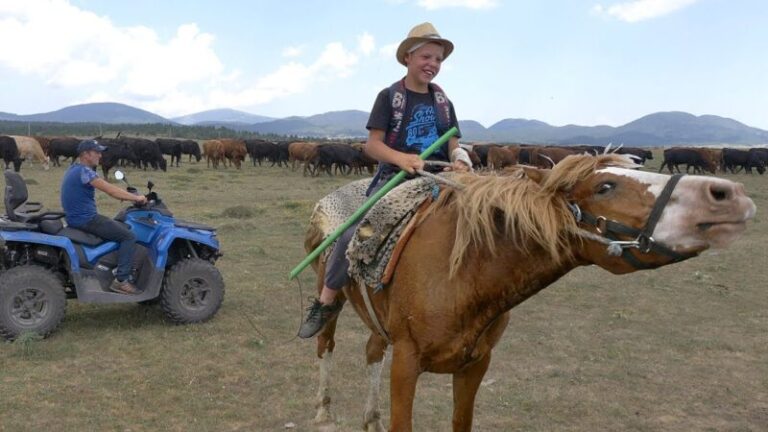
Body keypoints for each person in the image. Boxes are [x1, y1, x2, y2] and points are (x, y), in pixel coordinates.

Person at [299, 22, 473, 338]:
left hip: (438, 180)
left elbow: (453, 144)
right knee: (354, 231)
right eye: (426, 56)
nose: (432, 64)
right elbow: (373, 145)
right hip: (395, 179)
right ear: (408, 57)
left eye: (438, 59)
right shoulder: (391, 96)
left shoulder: (443, 102)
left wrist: (460, 160)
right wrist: (402, 159)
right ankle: (325, 300)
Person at [60, 139, 147, 294]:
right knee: (128, 236)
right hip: (85, 219)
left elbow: (109, 189)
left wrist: (125, 195)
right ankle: (122, 280)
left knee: (117, 225)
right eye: (96, 152)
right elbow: (110, 190)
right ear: (86, 154)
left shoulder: (74, 168)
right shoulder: (85, 171)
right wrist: (137, 198)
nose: (100, 155)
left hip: (75, 218)